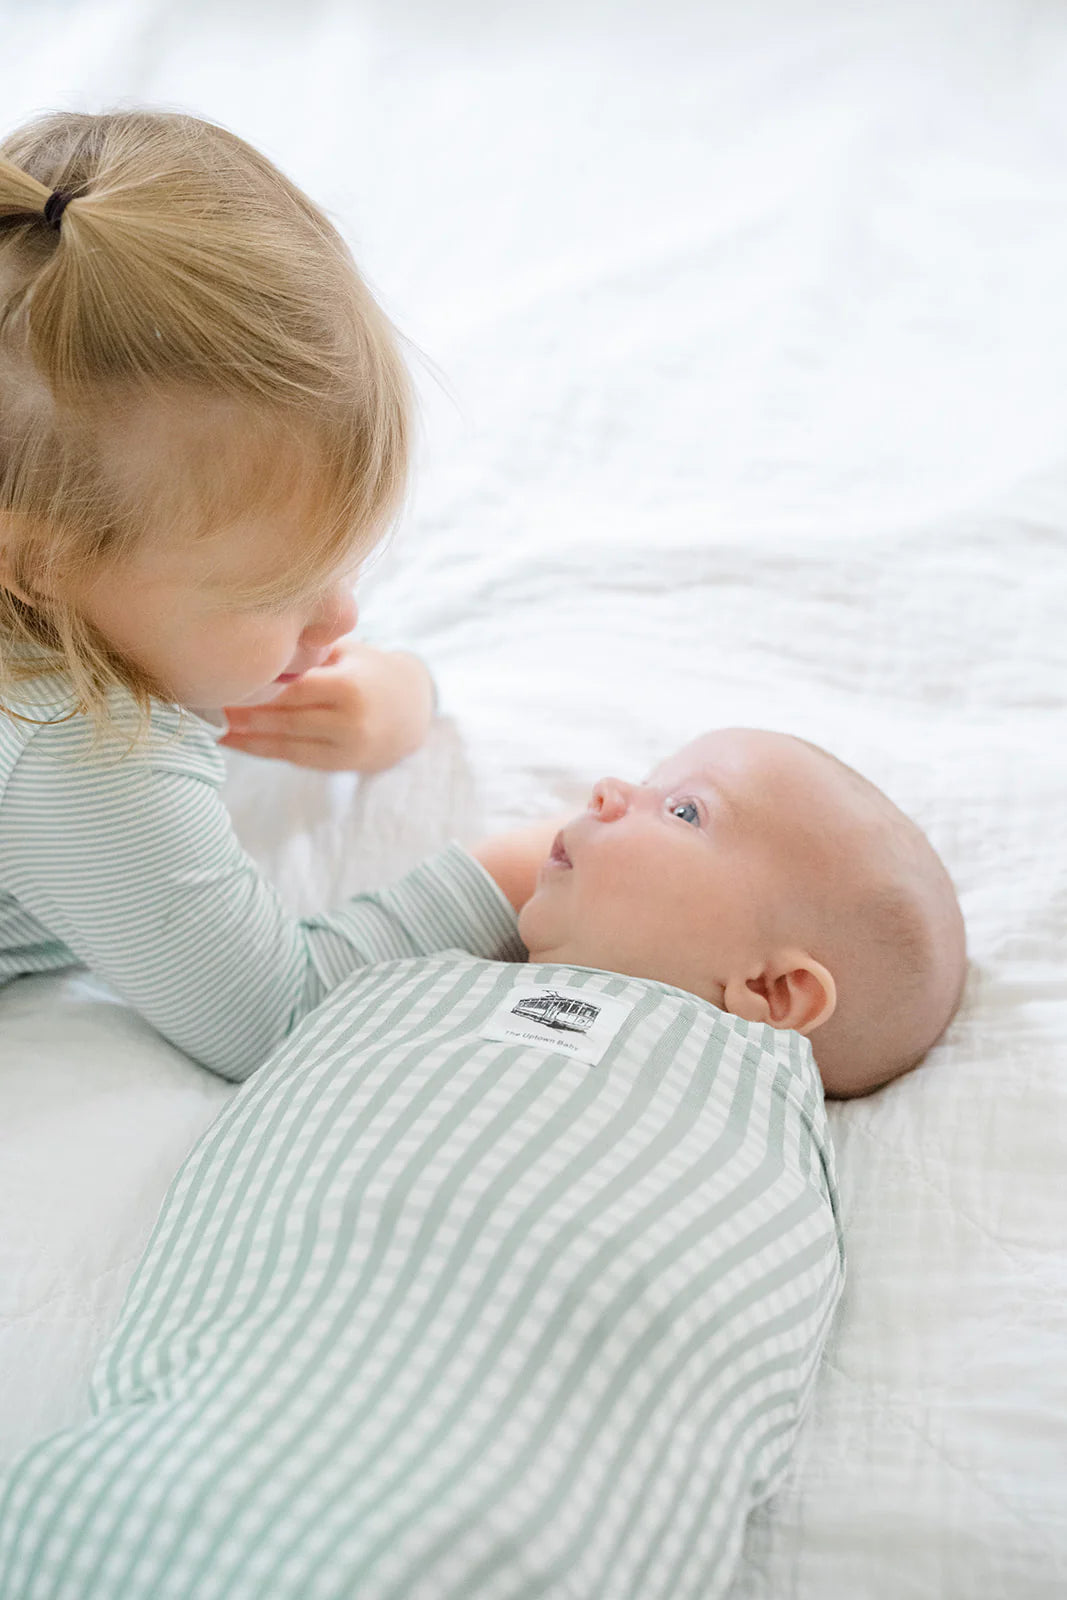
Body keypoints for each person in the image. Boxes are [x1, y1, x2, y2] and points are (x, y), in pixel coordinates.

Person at [0, 729, 966, 1600]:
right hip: (180, 1464)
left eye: (683, 810)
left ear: (771, 989)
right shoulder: (419, 993)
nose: (604, 791)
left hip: (494, 1530)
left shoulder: (740, 1119)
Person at [0, 109, 436, 1081]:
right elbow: (280, 1020)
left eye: (339, 563)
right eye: (280, 592)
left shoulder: (88, 557)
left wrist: (397, 690)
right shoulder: (76, 755)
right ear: (38, 571)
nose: (342, 621)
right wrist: (509, 880)